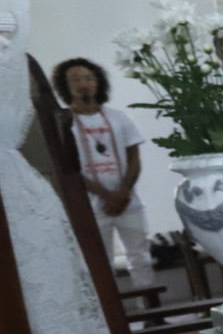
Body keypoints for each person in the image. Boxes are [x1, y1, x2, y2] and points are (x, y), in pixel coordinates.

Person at [52, 58, 153, 289]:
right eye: (75, 80)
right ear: (65, 86)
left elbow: (134, 157)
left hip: (128, 202)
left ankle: (151, 315)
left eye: (88, 78)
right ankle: (113, 318)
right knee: (100, 263)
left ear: (98, 83)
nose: (83, 84)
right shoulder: (63, 123)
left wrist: (123, 193)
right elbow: (66, 167)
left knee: (141, 258)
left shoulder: (118, 117)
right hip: (91, 206)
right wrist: (107, 195)